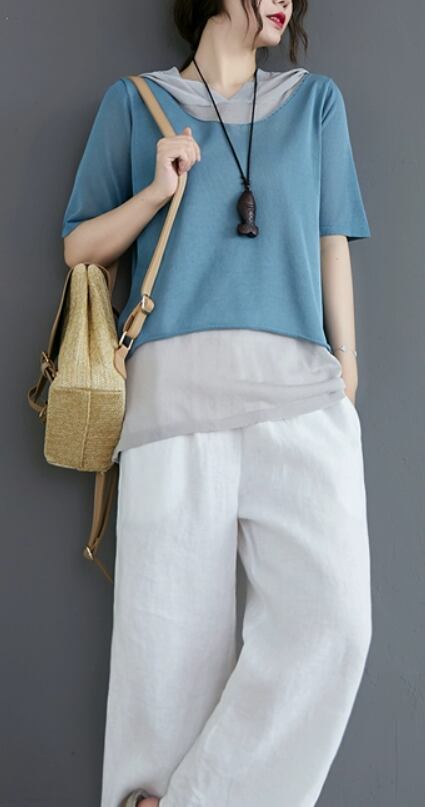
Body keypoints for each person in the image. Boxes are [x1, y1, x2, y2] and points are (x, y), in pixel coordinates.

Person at [61, 2, 373, 805]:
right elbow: (78, 247)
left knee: (334, 625)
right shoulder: (135, 102)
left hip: (300, 398)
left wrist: (346, 363)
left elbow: (330, 237)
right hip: (172, 405)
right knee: (165, 662)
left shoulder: (315, 101)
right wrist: (155, 191)